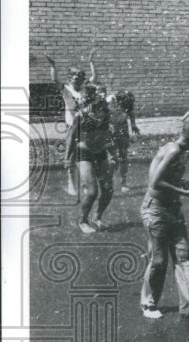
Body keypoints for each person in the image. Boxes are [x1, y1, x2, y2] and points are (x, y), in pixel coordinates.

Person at [139, 118, 189, 319]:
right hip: (156, 210)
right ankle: (148, 304)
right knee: (159, 260)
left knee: (183, 256)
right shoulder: (173, 150)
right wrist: (185, 192)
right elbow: (155, 183)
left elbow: (166, 178)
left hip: (172, 209)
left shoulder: (179, 151)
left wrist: (184, 183)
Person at [65, 84, 115, 233]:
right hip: (84, 154)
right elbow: (70, 137)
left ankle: (97, 217)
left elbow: (106, 134)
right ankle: (83, 221)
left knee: (108, 189)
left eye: (101, 95)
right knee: (92, 192)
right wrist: (67, 159)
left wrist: (112, 153)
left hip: (100, 152)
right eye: (95, 96)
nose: (100, 98)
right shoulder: (80, 115)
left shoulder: (105, 113)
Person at [47, 49, 96, 196]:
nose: (76, 78)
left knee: (87, 153)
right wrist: (53, 66)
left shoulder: (84, 90)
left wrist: (91, 62)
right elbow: (55, 80)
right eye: (73, 75)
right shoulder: (66, 89)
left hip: (85, 126)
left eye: (79, 76)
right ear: (69, 77)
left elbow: (94, 78)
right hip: (72, 127)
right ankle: (71, 183)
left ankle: (86, 182)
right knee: (71, 155)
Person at [105, 76, 140, 191]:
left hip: (123, 129)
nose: (123, 108)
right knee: (111, 157)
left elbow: (131, 112)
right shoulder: (109, 101)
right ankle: (108, 182)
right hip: (111, 130)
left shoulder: (127, 103)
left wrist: (133, 124)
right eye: (122, 106)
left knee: (123, 155)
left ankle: (123, 183)